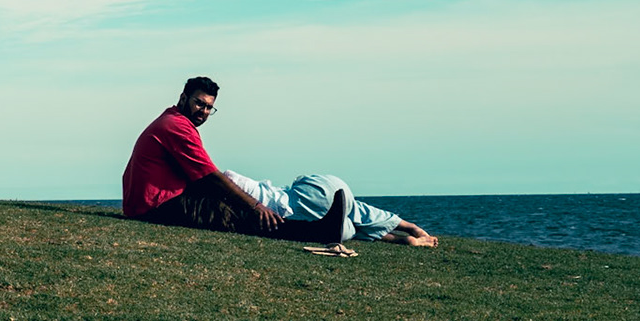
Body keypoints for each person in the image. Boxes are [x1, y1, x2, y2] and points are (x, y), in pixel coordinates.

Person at [120, 76, 353, 243]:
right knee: (238, 214)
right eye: (199, 103)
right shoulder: (176, 126)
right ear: (183, 98)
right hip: (155, 207)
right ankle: (318, 232)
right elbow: (210, 176)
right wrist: (255, 205)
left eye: (209, 107)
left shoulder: (174, 121)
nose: (203, 111)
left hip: (152, 202)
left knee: (231, 205)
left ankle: (318, 228)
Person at [224, 171, 437, 246]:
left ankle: (402, 238)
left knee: (351, 227)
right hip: (312, 195)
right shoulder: (228, 179)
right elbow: (225, 177)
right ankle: (409, 227)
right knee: (357, 212)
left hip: (303, 209)